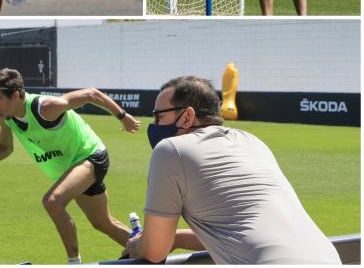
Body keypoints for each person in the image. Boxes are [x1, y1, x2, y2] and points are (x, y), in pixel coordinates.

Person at [125, 76, 341, 264]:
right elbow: (238, 229)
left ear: (187, 117)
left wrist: (137, 245)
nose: (154, 123)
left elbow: (154, 251)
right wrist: (178, 239)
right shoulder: (252, 141)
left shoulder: (171, 149)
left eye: (159, 116)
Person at [0, 68, 141, 264]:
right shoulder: (6, 118)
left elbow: (91, 94)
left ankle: (74, 262)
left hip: (91, 155)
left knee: (53, 201)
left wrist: (123, 116)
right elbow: (5, 147)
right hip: (72, 168)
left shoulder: (45, 108)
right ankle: (145, 247)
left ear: (15, 95)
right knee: (101, 222)